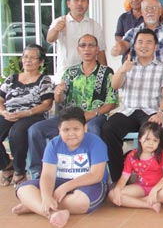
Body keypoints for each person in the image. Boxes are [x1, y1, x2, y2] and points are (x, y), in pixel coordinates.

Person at [28, 35, 117, 180]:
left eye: (91, 45)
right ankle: (38, 173)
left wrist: (92, 113)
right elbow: (60, 100)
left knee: (93, 130)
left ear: (97, 50)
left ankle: (93, 173)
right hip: (68, 118)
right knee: (35, 130)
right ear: (78, 50)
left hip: (94, 117)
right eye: (83, 45)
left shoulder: (107, 73)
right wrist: (58, 94)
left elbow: (111, 102)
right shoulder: (70, 72)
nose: (87, 49)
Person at [11, 107, 108, 228]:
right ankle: (51, 212)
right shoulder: (54, 144)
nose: (71, 133)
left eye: (76, 129)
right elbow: (47, 175)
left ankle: (35, 205)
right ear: (59, 130)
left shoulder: (96, 143)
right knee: (23, 189)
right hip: (59, 182)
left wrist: (65, 187)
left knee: (82, 202)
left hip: (88, 184)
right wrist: (46, 197)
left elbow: (96, 175)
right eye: (66, 129)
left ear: (85, 128)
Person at [101, 29, 163, 182]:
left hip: (151, 111)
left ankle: (154, 177)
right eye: (140, 42)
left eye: (149, 42)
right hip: (128, 111)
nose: (144, 45)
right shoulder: (128, 66)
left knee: (154, 130)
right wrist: (122, 70)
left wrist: (161, 112)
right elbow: (115, 86)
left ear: (155, 47)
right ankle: (119, 177)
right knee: (108, 129)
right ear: (134, 46)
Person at [0, 44, 53, 186]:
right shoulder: (11, 79)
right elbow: (0, 99)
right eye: (25, 57)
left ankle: (19, 171)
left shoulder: (44, 80)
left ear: (40, 62)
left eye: (32, 58)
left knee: (16, 132)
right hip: (9, 113)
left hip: (32, 114)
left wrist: (25, 113)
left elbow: (47, 104)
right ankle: (6, 165)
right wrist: (4, 112)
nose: (27, 60)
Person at [107, 122, 163, 213]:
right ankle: (148, 204)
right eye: (147, 139)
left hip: (160, 188)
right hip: (141, 188)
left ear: (159, 142)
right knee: (112, 194)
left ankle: (135, 202)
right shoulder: (132, 156)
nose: (151, 143)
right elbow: (124, 177)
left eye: (155, 140)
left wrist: (155, 190)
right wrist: (117, 189)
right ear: (140, 138)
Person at [47, 0, 107, 79]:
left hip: (90, 76)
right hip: (65, 74)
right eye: (76, 0)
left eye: (83, 1)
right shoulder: (60, 21)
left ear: (88, 4)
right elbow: (49, 39)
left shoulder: (94, 25)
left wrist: (104, 76)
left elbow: (101, 52)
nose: (80, 4)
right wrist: (56, 29)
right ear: (68, 4)